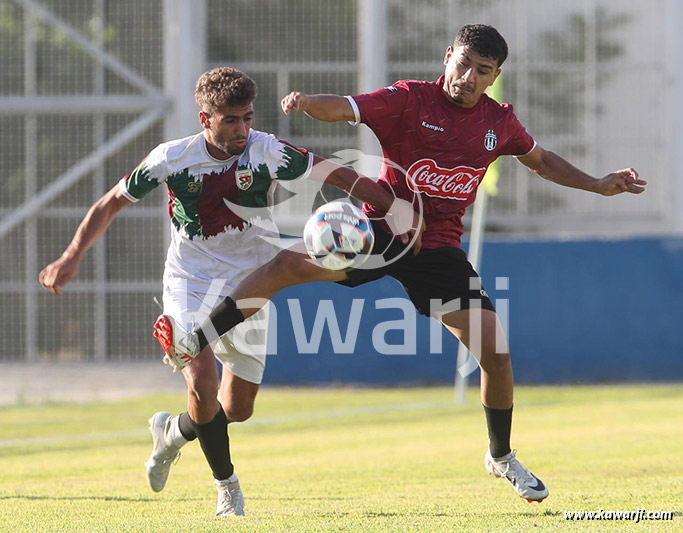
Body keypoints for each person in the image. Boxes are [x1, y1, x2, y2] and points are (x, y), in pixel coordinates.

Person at [154, 24, 646, 505]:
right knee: (287, 265)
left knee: (495, 354)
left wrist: (598, 183)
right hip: (383, 230)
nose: (469, 76)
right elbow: (348, 108)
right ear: (447, 55)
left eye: (483, 70)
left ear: (494, 77)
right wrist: (306, 105)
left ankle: (501, 455)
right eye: (464, 63)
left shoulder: (500, 123)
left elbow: (541, 161)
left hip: (437, 251)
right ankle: (195, 339)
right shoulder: (410, 99)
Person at [38, 67, 421, 517]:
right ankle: (228, 488)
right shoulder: (171, 158)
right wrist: (71, 256)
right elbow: (110, 202)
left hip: (253, 281)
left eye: (247, 118)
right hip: (190, 279)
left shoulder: (266, 151)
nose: (243, 129)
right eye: (231, 121)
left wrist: (391, 205)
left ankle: (172, 433)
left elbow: (334, 174)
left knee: (235, 409)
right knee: (201, 380)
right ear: (206, 119)